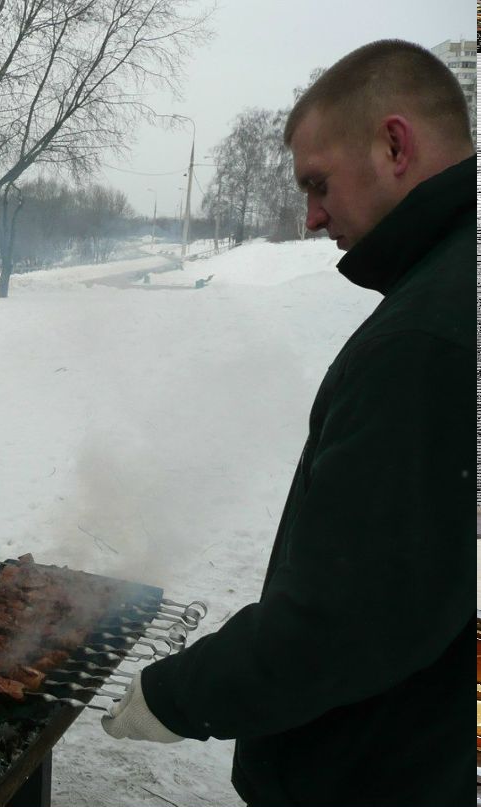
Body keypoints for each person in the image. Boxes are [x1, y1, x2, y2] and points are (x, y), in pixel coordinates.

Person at [100, 40, 474, 806]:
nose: (310, 217)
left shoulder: (428, 334)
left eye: (317, 183)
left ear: (394, 145)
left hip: (375, 773)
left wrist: (176, 695)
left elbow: (346, 618)